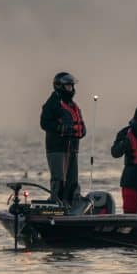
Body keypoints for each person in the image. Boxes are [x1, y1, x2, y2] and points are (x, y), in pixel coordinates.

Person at [39, 72, 87, 205]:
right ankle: (56, 202)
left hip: (72, 147)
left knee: (72, 178)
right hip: (57, 148)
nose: (71, 89)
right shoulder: (52, 103)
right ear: (59, 86)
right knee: (59, 178)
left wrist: (82, 130)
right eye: (68, 86)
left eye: (71, 86)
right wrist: (61, 128)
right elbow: (44, 123)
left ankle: (71, 202)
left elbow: (80, 124)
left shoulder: (73, 105)